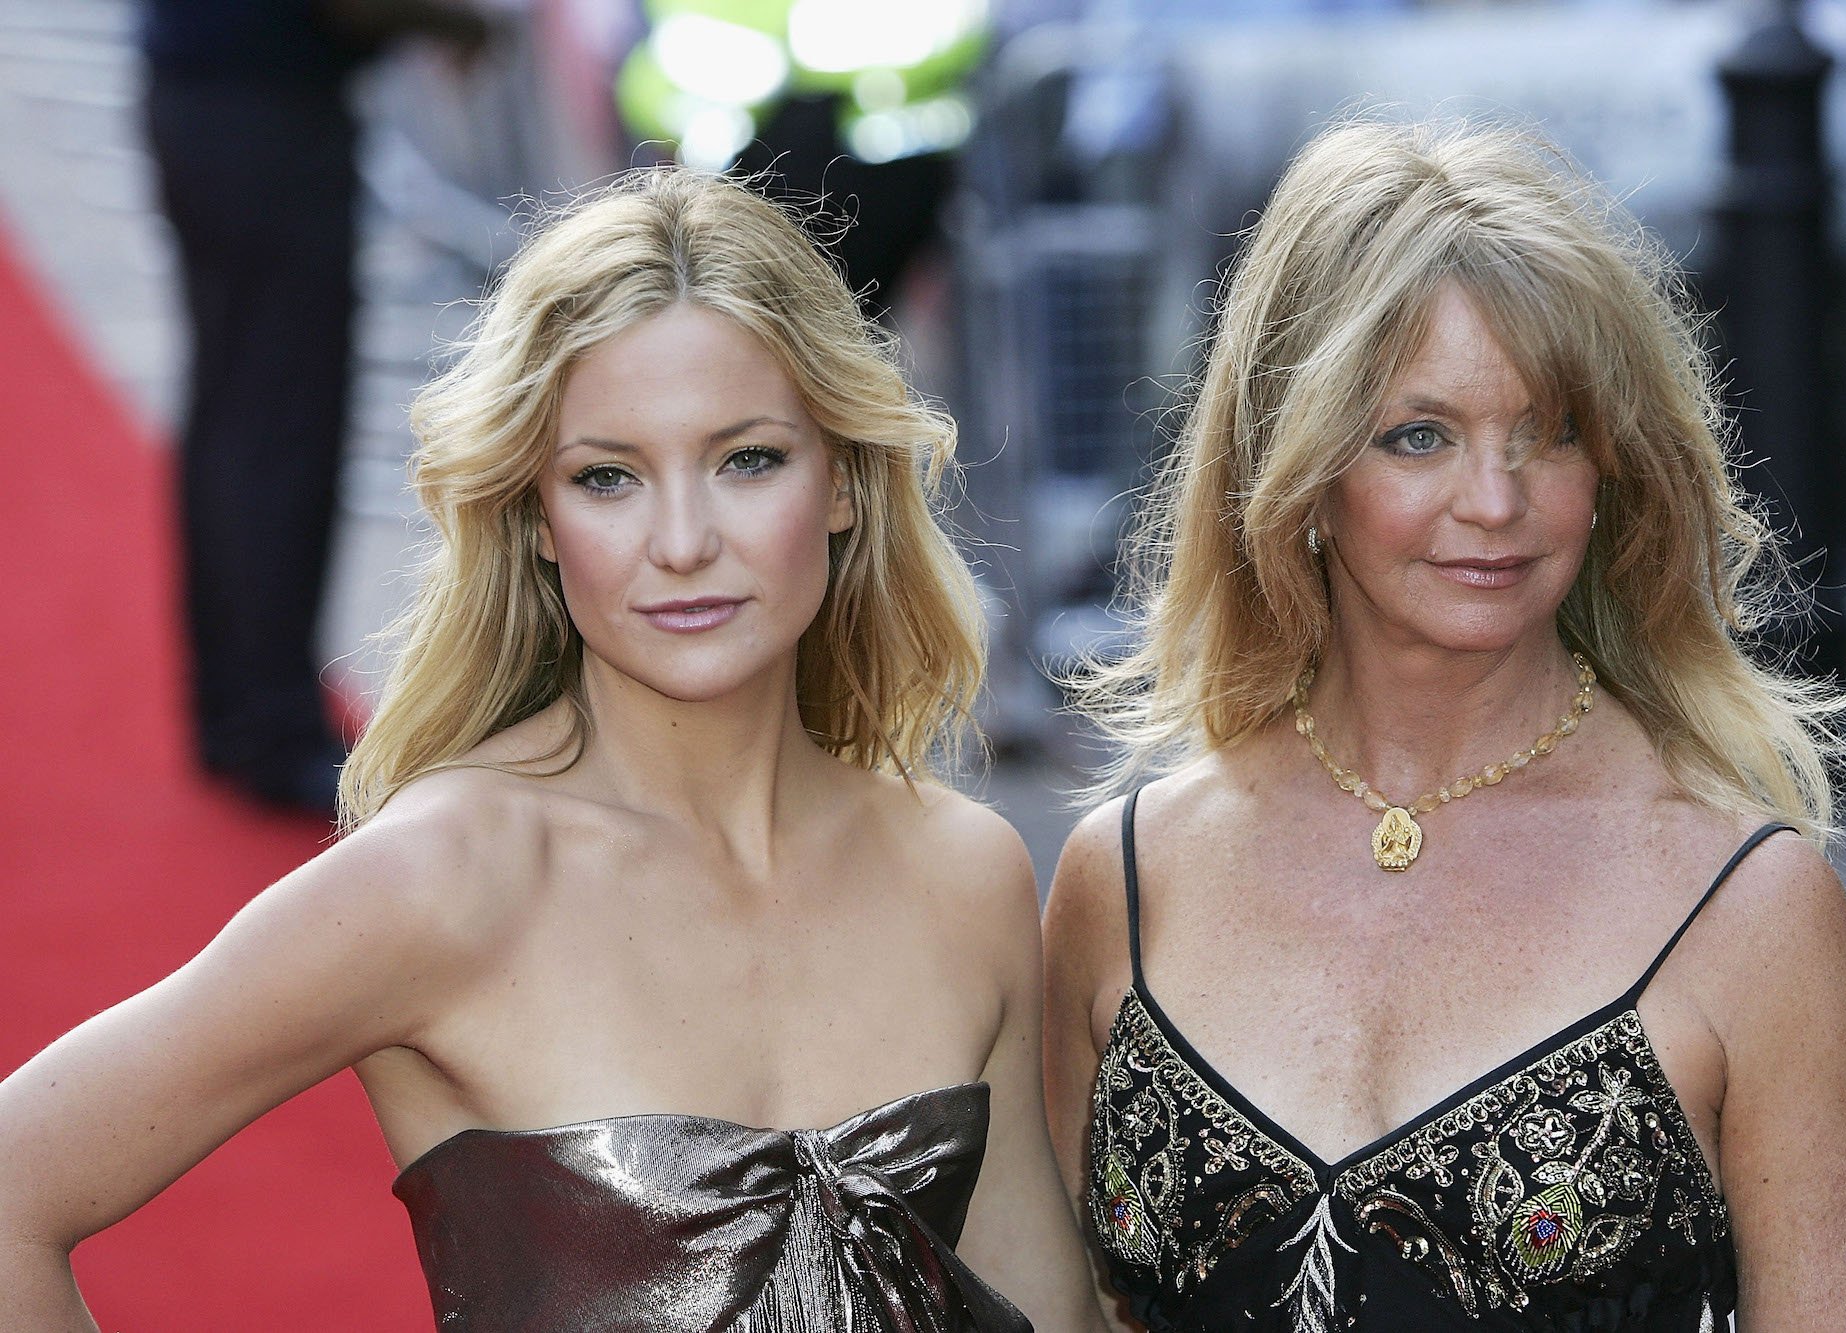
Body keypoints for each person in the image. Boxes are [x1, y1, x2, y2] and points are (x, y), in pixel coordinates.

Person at [0, 168, 1106, 1330]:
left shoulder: (960, 871)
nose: (682, 541)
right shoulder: (444, 877)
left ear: (840, 480)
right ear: (535, 515)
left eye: (746, 459)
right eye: (606, 477)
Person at [1042, 118, 1846, 1331]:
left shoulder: (1749, 907)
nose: (1494, 501)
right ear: (1298, 465)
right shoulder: (1125, 877)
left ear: (1609, 468)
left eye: (1547, 432)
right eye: (1418, 436)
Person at [140, 0, 487, 814]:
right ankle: (269, 725)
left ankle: (239, 710)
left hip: (220, 94)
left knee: (238, 418)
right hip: (264, 106)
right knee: (278, 428)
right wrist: (452, 22)